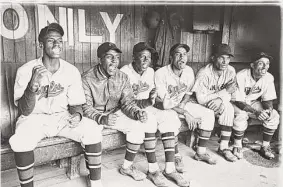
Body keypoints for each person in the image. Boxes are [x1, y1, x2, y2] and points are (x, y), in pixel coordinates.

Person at [9, 23, 103, 187]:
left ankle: (96, 183)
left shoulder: (71, 71)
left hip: (62, 118)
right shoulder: (26, 70)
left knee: (93, 129)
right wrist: (32, 86)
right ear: (41, 45)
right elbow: (24, 110)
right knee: (20, 140)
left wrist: (77, 115)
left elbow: (76, 104)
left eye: (59, 40)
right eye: (51, 41)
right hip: (34, 118)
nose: (56, 44)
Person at [81, 42, 161, 184]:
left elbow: (127, 103)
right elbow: (85, 107)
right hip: (93, 116)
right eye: (109, 57)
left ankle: (126, 167)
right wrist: (101, 118)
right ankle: (94, 181)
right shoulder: (87, 77)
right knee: (91, 134)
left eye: (117, 57)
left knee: (137, 126)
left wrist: (137, 113)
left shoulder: (122, 77)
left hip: (114, 114)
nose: (114, 61)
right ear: (100, 59)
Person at [120, 42, 189, 187]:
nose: (146, 60)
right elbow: (125, 102)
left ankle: (170, 169)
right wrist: (148, 103)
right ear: (134, 57)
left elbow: (153, 100)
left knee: (169, 116)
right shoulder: (124, 72)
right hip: (129, 109)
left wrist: (160, 104)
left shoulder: (151, 72)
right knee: (149, 121)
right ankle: (153, 170)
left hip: (147, 106)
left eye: (148, 57)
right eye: (142, 56)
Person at [155, 43, 217, 166]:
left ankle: (200, 152)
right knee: (172, 121)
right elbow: (164, 103)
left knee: (208, 114)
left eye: (184, 55)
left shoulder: (188, 71)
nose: (182, 58)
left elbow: (189, 92)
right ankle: (176, 156)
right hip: (165, 106)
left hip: (181, 104)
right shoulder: (161, 73)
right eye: (178, 54)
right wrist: (185, 113)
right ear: (171, 57)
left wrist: (183, 105)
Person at [192, 43, 238, 162]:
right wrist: (223, 94)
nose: (225, 61)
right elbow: (201, 99)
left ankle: (223, 147)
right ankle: (200, 150)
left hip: (218, 102)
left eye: (228, 58)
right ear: (213, 58)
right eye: (221, 57)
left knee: (229, 108)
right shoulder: (204, 73)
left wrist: (220, 99)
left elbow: (232, 94)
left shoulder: (231, 71)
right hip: (201, 103)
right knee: (208, 112)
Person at [231, 52, 280, 160]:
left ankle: (265, 146)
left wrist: (268, 110)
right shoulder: (241, 76)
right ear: (252, 65)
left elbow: (268, 99)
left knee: (274, 115)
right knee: (241, 114)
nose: (265, 67)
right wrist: (256, 112)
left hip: (252, 102)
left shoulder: (268, 77)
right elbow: (239, 101)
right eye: (261, 63)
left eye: (267, 64)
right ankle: (237, 145)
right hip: (236, 102)